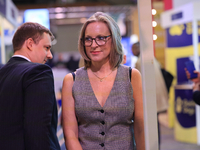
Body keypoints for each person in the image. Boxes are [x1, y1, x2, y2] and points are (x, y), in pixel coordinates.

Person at [62, 12, 145, 150]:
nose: (94, 45)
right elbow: (70, 134)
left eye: (101, 38)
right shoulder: (71, 80)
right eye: (88, 39)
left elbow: (140, 128)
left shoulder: (131, 76)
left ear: (113, 40)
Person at [0, 22, 61, 150]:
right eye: (46, 47)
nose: (50, 55)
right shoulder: (38, 72)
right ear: (30, 44)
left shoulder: (3, 73)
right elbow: (38, 132)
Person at [131, 42, 168, 149]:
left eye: (133, 48)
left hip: (150, 97)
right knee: (155, 124)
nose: (132, 51)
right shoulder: (149, 58)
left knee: (150, 125)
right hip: (156, 96)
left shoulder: (140, 61)